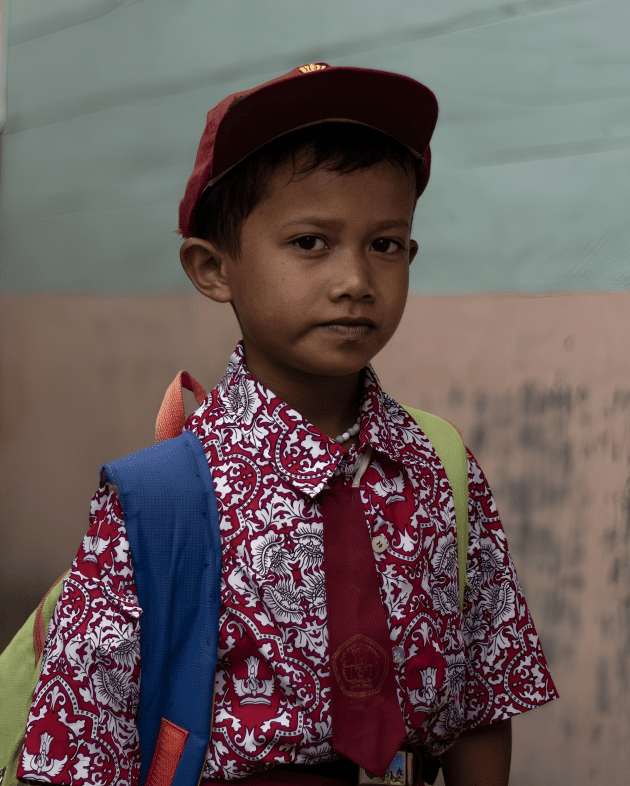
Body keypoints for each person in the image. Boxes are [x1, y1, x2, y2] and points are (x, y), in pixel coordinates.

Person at [17, 63, 558, 786]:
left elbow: (486, 695)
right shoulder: (158, 502)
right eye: (311, 242)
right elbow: (79, 751)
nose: (356, 280)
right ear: (214, 270)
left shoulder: (439, 465)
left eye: (386, 244)